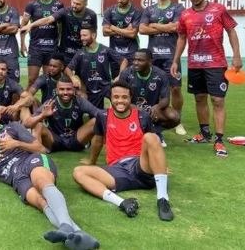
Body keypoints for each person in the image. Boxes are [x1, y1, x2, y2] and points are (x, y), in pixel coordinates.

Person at [0, 99, 100, 250]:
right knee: (40, 202)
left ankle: (67, 227)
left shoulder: (13, 127)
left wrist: (16, 143)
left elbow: (40, 148)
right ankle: (78, 234)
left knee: (42, 183)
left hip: (30, 160)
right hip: (14, 176)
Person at [73, 81, 174, 222]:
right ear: (111, 98)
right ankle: (122, 202)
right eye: (116, 97)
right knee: (78, 172)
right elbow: (97, 141)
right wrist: (92, 161)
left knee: (150, 137)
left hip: (140, 166)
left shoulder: (142, 116)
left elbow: (153, 144)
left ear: (130, 98)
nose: (120, 101)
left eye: (124, 97)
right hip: (117, 170)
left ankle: (162, 199)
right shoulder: (103, 116)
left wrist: (161, 167)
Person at [171, 0, 242, 158]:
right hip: (195, 64)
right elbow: (181, 38)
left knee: (217, 101)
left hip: (216, 64)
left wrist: (236, 55)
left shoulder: (218, 10)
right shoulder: (185, 14)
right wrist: (175, 60)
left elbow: (231, 31)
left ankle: (219, 139)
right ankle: (204, 134)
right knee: (199, 99)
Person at [139, 0, 187, 136]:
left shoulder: (178, 8)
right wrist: (166, 26)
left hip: (171, 56)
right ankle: (154, 117)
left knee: (175, 88)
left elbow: (176, 27)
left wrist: (154, 25)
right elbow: (142, 29)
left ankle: (178, 120)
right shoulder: (149, 9)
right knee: (153, 88)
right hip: (153, 57)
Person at [21, 76, 104, 153]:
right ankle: (36, 157)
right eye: (62, 89)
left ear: (74, 90)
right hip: (55, 140)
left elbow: (99, 114)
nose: (65, 92)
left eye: (68, 89)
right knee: (37, 125)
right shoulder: (50, 103)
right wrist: (42, 115)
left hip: (75, 139)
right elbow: (27, 124)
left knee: (96, 120)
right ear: (56, 90)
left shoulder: (80, 101)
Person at [118, 49, 180, 147]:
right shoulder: (126, 74)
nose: (136, 63)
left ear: (150, 61)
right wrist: (137, 109)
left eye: (140, 60)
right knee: (121, 109)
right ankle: (134, 133)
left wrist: (157, 107)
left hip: (152, 111)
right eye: (134, 60)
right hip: (131, 108)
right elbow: (119, 100)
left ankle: (155, 132)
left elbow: (165, 99)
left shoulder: (161, 75)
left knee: (174, 117)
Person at [20, 0, 97, 66]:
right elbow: (48, 19)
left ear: (85, 4)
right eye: (73, 2)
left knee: (83, 77)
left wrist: (93, 49)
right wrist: (31, 25)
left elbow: (93, 34)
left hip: (82, 52)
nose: (74, 5)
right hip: (66, 53)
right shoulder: (65, 12)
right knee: (65, 77)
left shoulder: (92, 15)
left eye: (78, 4)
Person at [66, 27, 127, 109]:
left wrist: (119, 76)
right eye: (81, 36)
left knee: (118, 105)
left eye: (85, 35)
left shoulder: (105, 50)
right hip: (90, 90)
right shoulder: (80, 53)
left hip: (106, 87)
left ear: (93, 35)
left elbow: (124, 61)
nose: (82, 38)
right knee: (94, 115)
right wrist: (73, 77)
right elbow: (68, 69)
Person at [20, 0, 65, 88]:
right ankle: (27, 105)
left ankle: (49, 104)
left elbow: (60, 27)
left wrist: (59, 43)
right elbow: (23, 25)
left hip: (51, 48)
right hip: (36, 48)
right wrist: (22, 44)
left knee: (50, 80)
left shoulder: (58, 5)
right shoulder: (31, 5)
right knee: (31, 80)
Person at [102, 0, 142, 78]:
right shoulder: (109, 11)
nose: (119, 0)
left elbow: (132, 34)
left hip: (131, 53)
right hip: (114, 53)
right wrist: (125, 30)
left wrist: (113, 27)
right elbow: (105, 32)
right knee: (116, 80)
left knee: (132, 81)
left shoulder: (136, 12)